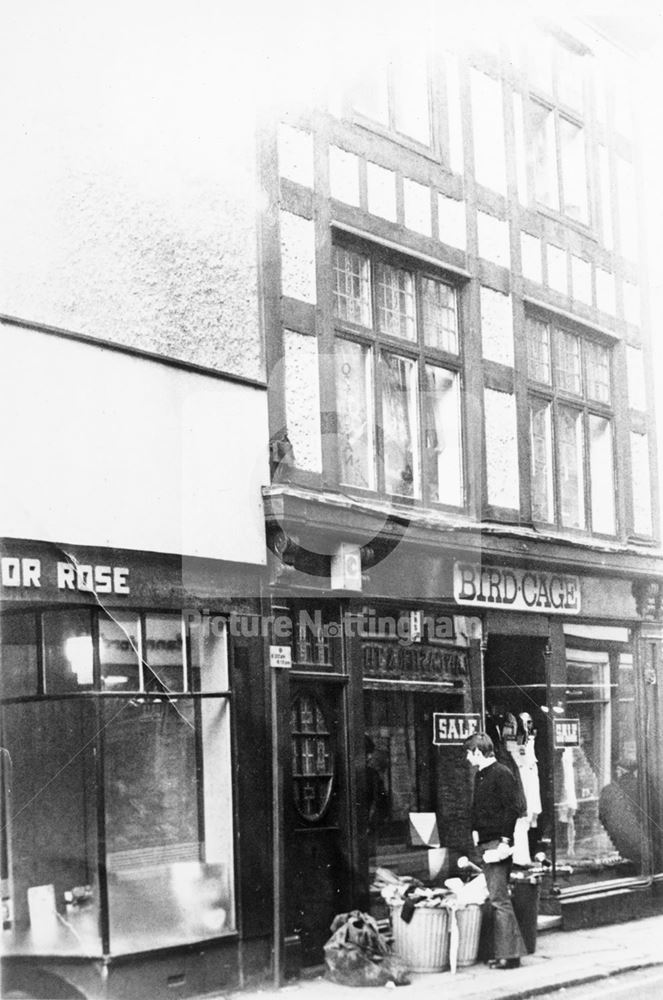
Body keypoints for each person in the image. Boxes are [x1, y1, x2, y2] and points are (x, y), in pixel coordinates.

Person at [464, 731, 527, 970]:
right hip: (487, 842)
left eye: (469, 754)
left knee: (499, 899)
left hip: (496, 843)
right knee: (496, 897)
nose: (468, 759)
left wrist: (504, 841)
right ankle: (507, 951)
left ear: (478, 752)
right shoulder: (483, 774)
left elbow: (512, 809)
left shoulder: (501, 773)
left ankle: (509, 956)